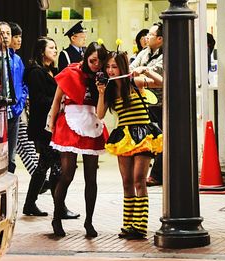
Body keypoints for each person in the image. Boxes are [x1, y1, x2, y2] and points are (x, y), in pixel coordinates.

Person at [96, 50, 163, 240]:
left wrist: (146, 70)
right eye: (108, 67)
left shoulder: (135, 82)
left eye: (114, 66)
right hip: (123, 136)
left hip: (143, 134)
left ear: (122, 67)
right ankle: (128, 225)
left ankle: (140, 227)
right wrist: (101, 93)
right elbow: (100, 115)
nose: (110, 70)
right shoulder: (108, 89)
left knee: (138, 179)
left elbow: (162, 83)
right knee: (126, 183)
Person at [48, 41, 108, 237]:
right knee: (67, 174)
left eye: (100, 62)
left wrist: (102, 89)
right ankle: (57, 217)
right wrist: (52, 124)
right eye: (92, 61)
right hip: (70, 122)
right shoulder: (71, 72)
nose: (96, 65)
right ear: (85, 58)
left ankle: (89, 222)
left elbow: (102, 112)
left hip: (92, 122)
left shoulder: (104, 78)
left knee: (91, 178)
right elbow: (57, 100)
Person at [22, 37, 79, 220]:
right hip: (43, 126)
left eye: (55, 48)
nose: (55, 51)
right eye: (51, 48)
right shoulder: (36, 72)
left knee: (44, 166)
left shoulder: (49, 71)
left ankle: (30, 203)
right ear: (41, 51)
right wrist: (59, 102)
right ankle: (59, 207)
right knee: (55, 166)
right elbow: (39, 100)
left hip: (49, 126)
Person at [130, 22, 164, 187]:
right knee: (146, 137)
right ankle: (145, 172)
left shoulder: (166, 55)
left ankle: (157, 174)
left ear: (159, 39)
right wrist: (141, 70)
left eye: (150, 35)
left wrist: (144, 70)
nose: (146, 37)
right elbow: (132, 68)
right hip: (144, 101)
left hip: (161, 103)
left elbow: (157, 75)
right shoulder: (144, 52)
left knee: (161, 137)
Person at [0, 21, 28, 174]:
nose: (5, 36)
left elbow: (23, 84)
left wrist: (20, 103)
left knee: (12, 154)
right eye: (1, 33)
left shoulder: (16, 59)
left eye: (8, 33)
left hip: (14, 111)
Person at [8, 22, 39, 176]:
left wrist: (23, 98)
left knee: (25, 143)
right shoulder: (4, 58)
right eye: (16, 36)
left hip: (18, 107)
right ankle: (37, 175)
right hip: (9, 108)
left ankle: (37, 175)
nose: (19, 40)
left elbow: (23, 82)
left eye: (20, 36)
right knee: (18, 145)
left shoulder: (18, 59)